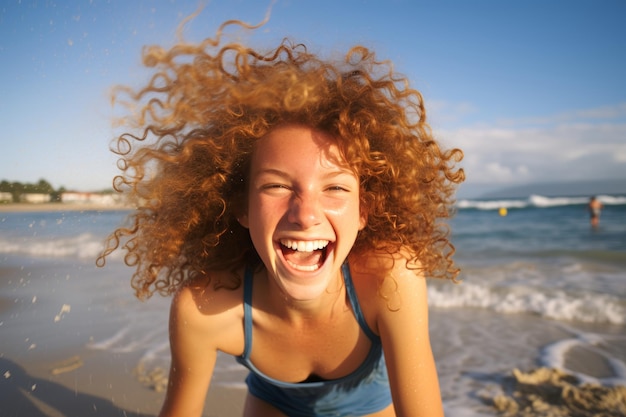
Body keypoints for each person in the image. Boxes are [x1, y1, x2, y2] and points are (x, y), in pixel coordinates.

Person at [97, 16, 464, 417]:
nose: (305, 215)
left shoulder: (390, 281)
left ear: (365, 211)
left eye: (336, 188)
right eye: (276, 186)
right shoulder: (202, 309)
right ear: (240, 207)